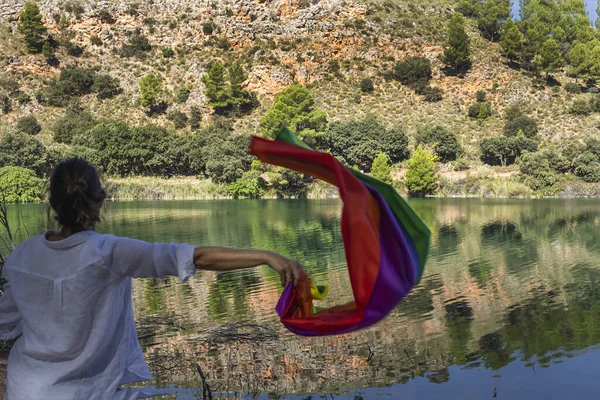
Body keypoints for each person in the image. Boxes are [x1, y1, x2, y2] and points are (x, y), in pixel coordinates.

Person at [0, 157, 303, 400]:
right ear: (100, 199)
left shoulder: (21, 257)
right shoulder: (108, 253)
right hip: (88, 392)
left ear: (51, 202)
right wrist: (265, 256)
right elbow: (192, 257)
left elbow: (6, 325)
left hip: (25, 388)